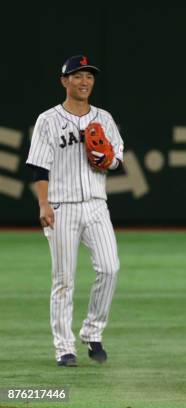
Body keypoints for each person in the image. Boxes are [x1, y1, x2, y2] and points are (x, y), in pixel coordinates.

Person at [26, 55, 124, 366]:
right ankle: (63, 347)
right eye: (77, 76)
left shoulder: (104, 118)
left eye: (89, 77)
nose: (84, 82)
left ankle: (93, 332)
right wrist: (43, 204)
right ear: (64, 81)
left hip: (96, 204)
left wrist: (108, 159)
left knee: (110, 268)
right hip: (61, 205)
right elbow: (40, 168)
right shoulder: (48, 120)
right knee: (64, 279)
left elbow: (118, 158)